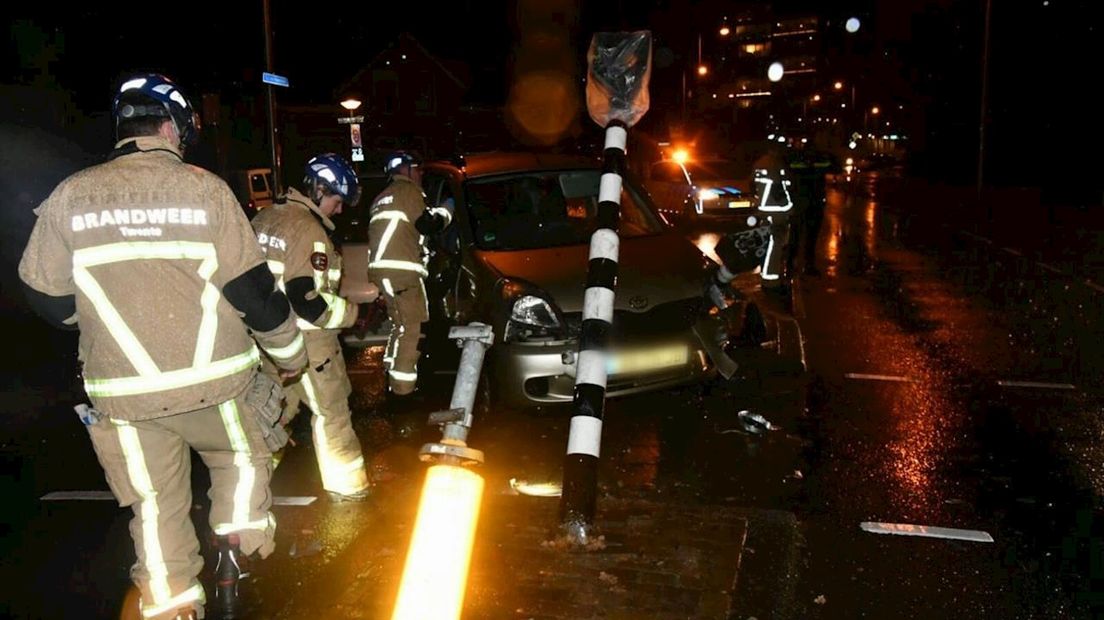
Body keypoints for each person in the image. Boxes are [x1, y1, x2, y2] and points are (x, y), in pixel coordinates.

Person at [18, 73, 307, 620]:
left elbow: (47, 299)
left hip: (125, 399)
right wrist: (291, 355)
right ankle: (239, 544)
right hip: (216, 386)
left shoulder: (70, 196)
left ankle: (172, 604)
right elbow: (254, 294)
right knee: (243, 457)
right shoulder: (205, 190)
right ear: (174, 128)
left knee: (153, 508)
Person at [251, 154, 371, 502]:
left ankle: (251, 489)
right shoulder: (309, 230)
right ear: (319, 190)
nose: (339, 210)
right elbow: (308, 301)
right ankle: (349, 489)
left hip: (268, 342)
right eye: (336, 200)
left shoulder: (264, 219)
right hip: (309, 345)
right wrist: (353, 315)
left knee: (271, 416)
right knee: (332, 413)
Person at [367, 151, 453, 397]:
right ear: (404, 170)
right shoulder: (409, 192)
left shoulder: (382, 197)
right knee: (413, 329)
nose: (420, 173)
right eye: (417, 168)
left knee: (400, 326)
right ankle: (403, 391)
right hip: (403, 271)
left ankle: (391, 376)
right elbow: (428, 224)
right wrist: (448, 208)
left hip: (384, 271)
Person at [786, 142, 838, 275]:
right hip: (809, 202)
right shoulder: (818, 161)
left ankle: (794, 264)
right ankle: (798, 265)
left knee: (801, 236)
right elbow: (833, 167)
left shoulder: (800, 160)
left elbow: (834, 167)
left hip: (805, 202)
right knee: (805, 236)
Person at [752, 141, 794, 290]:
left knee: (766, 244)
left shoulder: (759, 164)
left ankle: (766, 276)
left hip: (764, 211)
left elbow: (754, 187)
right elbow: (780, 191)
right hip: (777, 212)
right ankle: (772, 280)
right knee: (775, 246)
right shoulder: (776, 164)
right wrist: (790, 209)